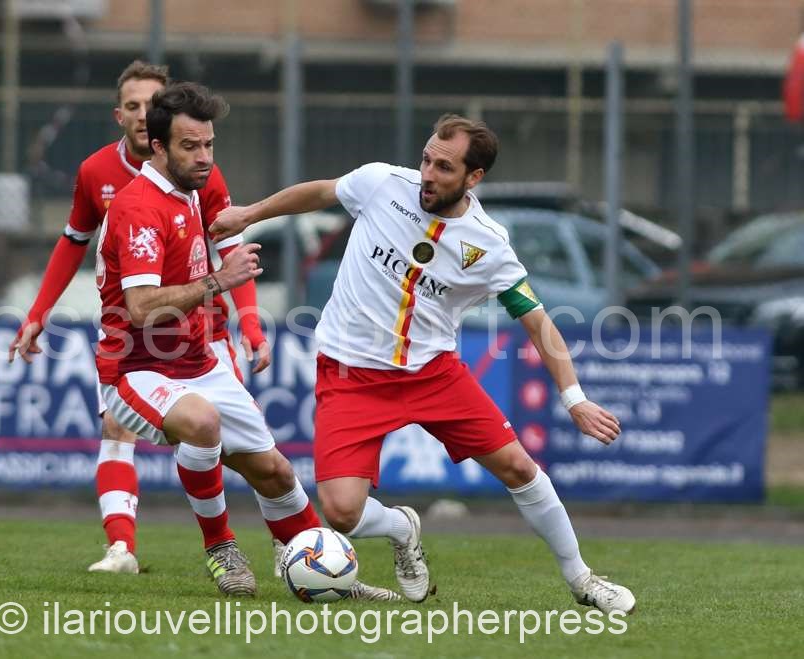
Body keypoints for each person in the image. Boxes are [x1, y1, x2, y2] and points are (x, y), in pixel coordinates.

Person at [210, 114, 637, 614]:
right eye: (427, 160)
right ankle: (401, 527)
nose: (428, 175)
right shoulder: (382, 183)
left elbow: (537, 321)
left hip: (433, 375)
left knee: (519, 467)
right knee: (342, 513)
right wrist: (249, 214)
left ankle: (583, 580)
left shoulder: (488, 243)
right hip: (350, 375)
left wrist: (575, 399)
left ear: (474, 177)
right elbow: (321, 192)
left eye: (444, 167)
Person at [92, 81, 399, 601]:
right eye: (190, 146)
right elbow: (141, 308)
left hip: (199, 363)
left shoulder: (190, 192)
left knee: (274, 472)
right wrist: (219, 281)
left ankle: (332, 576)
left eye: (209, 144)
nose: (204, 157)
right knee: (201, 423)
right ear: (159, 147)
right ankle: (221, 548)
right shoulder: (139, 207)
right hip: (136, 370)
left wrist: (237, 314)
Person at [5, 62, 269, 577]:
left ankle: (289, 546)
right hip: (135, 334)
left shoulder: (201, 169)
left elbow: (232, 251)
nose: (144, 114)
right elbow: (73, 243)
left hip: (202, 333)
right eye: (133, 105)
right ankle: (121, 548)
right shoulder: (95, 173)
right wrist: (38, 313)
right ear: (119, 115)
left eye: (152, 104)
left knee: (243, 448)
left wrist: (251, 325)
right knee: (116, 423)